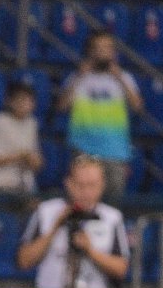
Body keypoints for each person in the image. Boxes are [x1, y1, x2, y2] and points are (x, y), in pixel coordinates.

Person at [16, 154, 129, 288]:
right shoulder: (46, 211)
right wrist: (55, 227)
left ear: (102, 186)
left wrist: (90, 251)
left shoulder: (112, 218)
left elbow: (121, 269)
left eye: (92, 185)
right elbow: (24, 261)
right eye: (80, 185)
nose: (86, 192)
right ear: (68, 183)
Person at [58, 32, 142, 204]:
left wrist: (120, 78)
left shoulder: (124, 78)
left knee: (113, 205)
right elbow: (61, 106)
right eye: (98, 48)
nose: (103, 52)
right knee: (81, 202)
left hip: (115, 151)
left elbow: (137, 106)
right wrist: (79, 76)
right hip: (83, 148)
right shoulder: (77, 77)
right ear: (89, 51)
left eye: (107, 48)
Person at [0, 81, 42, 198]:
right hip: (0, 184)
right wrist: (21, 156)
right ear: (10, 101)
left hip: (25, 186)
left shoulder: (32, 123)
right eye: (21, 100)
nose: (25, 104)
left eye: (29, 100)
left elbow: (37, 161)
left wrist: (35, 161)